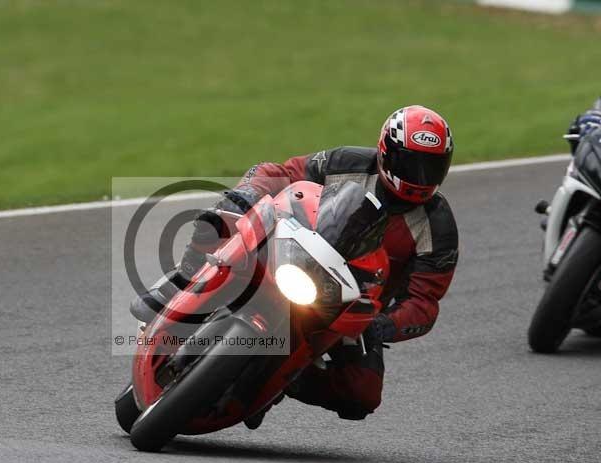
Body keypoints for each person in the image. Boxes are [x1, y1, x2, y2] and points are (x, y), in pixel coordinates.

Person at [131, 105, 459, 426]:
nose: (420, 176)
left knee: (362, 395)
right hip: (292, 252)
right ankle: (180, 279)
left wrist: (383, 325)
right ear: (386, 151)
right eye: (411, 163)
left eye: (431, 167)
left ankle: (289, 378)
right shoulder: (349, 162)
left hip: (351, 306)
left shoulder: (438, 226)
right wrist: (248, 192)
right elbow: (286, 173)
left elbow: (423, 303)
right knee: (218, 221)